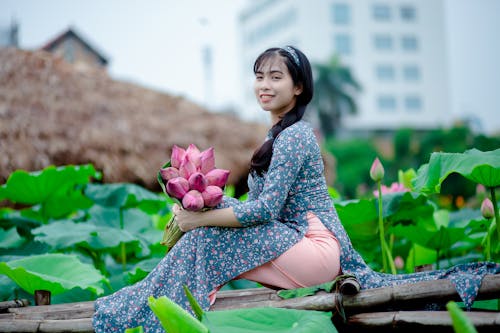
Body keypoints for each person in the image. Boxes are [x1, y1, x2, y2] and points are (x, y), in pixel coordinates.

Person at [93, 46, 499, 332]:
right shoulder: (277, 134)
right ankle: (146, 304)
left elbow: (266, 209)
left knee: (205, 238)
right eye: (259, 76)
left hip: (316, 247)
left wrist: (197, 218)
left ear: (298, 87)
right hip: (293, 242)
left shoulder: (297, 136)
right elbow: (258, 208)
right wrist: (198, 214)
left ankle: (145, 310)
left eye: (275, 77)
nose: (264, 85)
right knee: (204, 238)